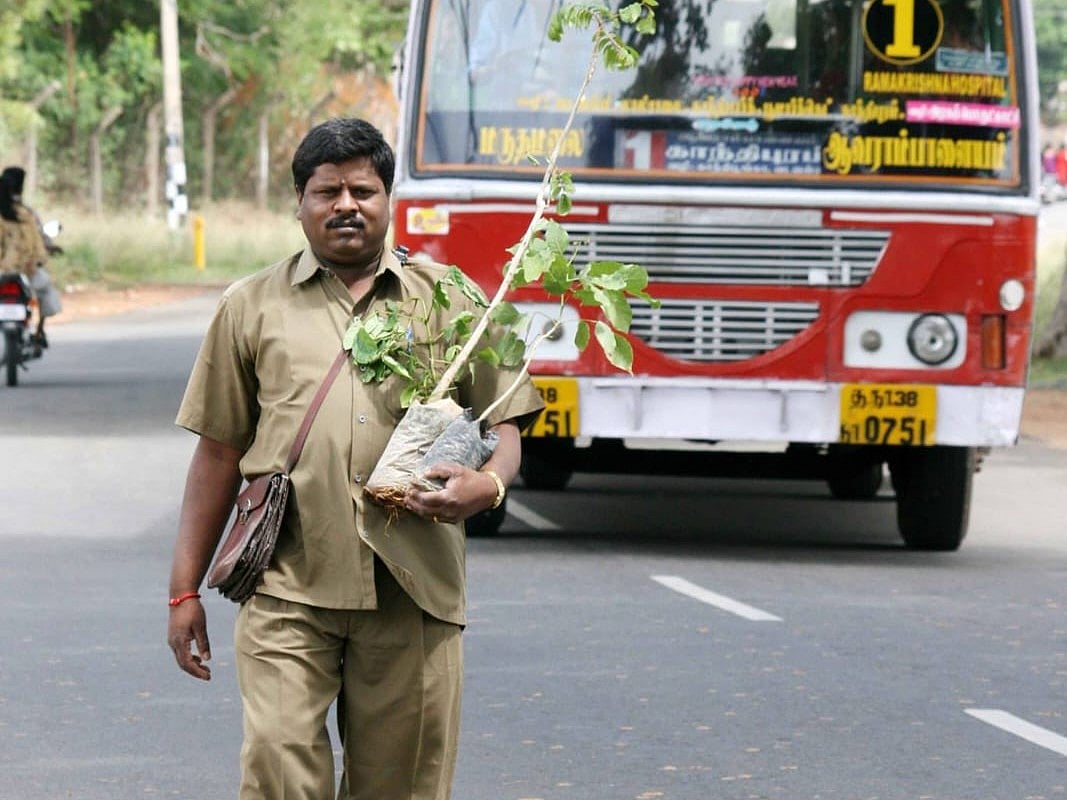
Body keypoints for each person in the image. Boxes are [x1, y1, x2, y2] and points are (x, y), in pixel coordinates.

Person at [166, 117, 543, 800]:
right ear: (300, 203)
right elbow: (217, 455)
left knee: (400, 788)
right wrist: (183, 590)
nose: (346, 205)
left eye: (363, 190)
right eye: (326, 191)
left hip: (414, 592)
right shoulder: (249, 306)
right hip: (286, 587)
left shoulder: (451, 300)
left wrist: (485, 487)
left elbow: (504, 425)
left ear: (388, 199)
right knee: (280, 770)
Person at [0, 166, 61, 346]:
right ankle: (39, 332)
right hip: (27, 271)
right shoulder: (26, 215)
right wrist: (41, 259)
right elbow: (38, 245)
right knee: (45, 289)